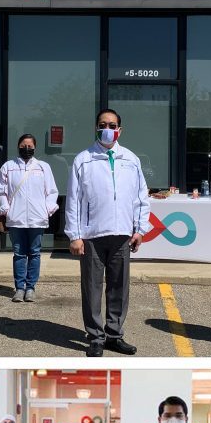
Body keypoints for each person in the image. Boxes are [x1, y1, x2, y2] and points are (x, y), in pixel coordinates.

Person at [65, 109, 151, 358]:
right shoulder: (84, 160)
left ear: (120, 130)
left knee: (119, 287)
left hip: (122, 234)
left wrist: (139, 229)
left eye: (112, 125)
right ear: (96, 127)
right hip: (92, 235)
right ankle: (95, 336)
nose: (108, 128)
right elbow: (74, 200)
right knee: (92, 288)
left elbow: (140, 197)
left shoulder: (131, 160)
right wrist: (75, 235)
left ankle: (114, 335)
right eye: (103, 124)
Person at [0, 133, 59, 302]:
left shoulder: (43, 167)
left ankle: (30, 288)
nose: (27, 149)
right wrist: (6, 208)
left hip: (37, 218)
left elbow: (51, 191)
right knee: (19, 254)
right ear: (18, 146)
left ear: (35, 147)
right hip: (15, 218)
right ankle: (19, 288)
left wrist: (47, 209)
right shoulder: (8, 166)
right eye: (23, 146)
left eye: (30, 146)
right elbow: (0, 190)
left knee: (35, 253)